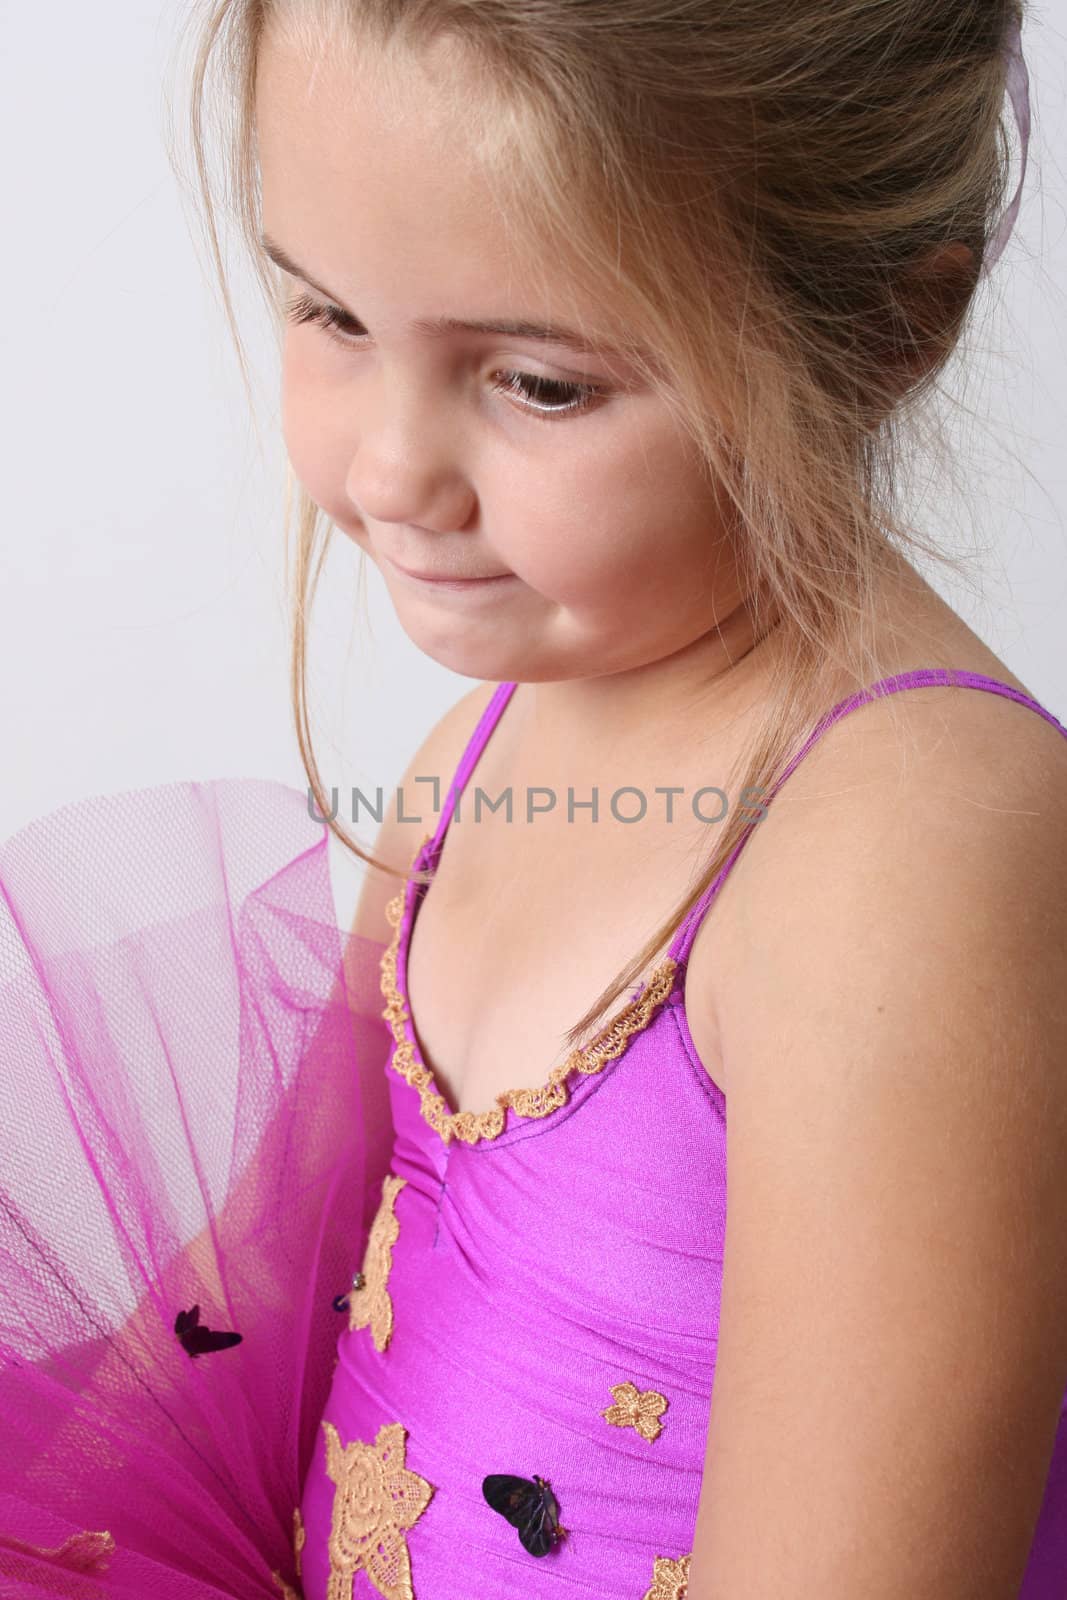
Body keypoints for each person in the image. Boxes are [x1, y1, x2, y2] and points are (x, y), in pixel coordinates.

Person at [2, 1, 1065, 1596]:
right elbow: (247, 1329)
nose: (389, 472)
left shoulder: (909, 853)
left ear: (893, 322)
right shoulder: (474, 760)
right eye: (329, 314)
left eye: (541, 384)